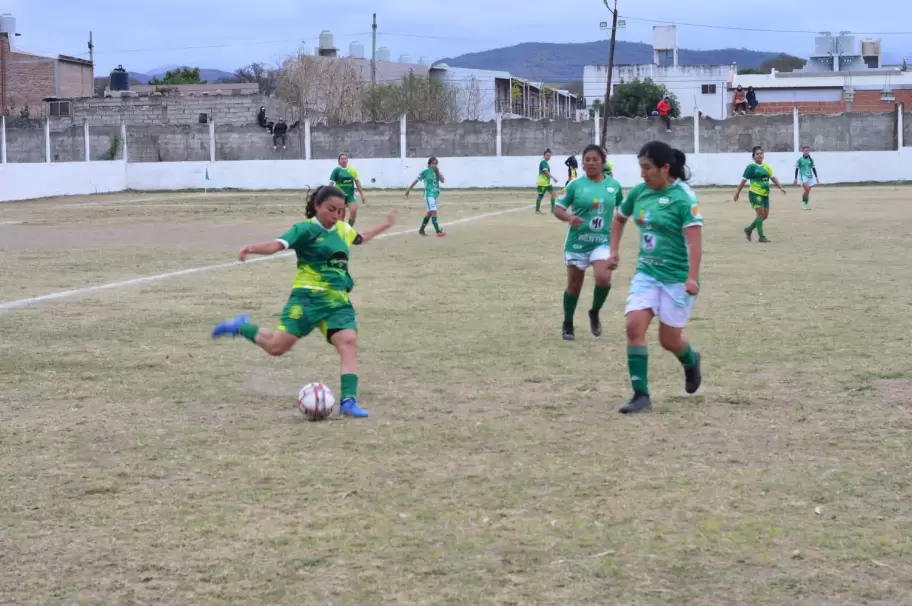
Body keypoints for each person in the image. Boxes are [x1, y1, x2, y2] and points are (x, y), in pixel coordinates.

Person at [211, 186, 398, 419]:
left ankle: (348, 402)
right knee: (277, 347)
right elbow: (277, 245)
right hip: (306, 299)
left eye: (340, 211)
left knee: (348, 341)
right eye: (331, 210)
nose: (336, 216)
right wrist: (251, 248)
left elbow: (361, 237)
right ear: (317, 206)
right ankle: (241, 326)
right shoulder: (304, 230)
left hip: (337, 301)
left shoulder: (343, 229)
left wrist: (386, 224)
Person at [607, 141, 704, 414]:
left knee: (668, 339)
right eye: (640, 167)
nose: (642, 174)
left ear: (665, 168)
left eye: (647, 168)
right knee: (634, 326)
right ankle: (641, 396)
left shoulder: (683, 199)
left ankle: (690, 360)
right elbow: (619, 219)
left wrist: (692, 279)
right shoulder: (639, 192)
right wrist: (613, 251)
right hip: (647, 273)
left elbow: (695, 243)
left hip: (677, 278)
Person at [553, 144, 623, 341]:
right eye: (587, 160)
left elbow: (621, 212)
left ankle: (594, 311)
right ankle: (568, 323)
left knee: (603, 278)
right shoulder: (575, 185)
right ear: (583, 164)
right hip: (577, 242)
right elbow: (558, 208)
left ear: (603, 162)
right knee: (574, 286)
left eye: (595, 159)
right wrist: (569, 218)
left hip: (601, 242)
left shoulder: (613, 186)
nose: (591, 163)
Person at [734, 146, 787, 243]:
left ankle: (749, 229)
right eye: (757, 154)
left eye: (761, 154)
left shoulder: (766, 166)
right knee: (760, 213)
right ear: (753, 157)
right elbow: (743, 181)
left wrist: (781, 187)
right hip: (755, 194)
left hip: (765, 194)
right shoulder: (751, 167)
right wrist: (737, 192)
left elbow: (773, 177)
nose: (759, 155)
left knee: (765, 216)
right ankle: (761, 236)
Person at [405, 156, 447, 237]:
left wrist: (438, 171)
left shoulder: (437, 171)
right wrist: (408, 190)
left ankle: (421, 230)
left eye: (436, 163)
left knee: (430, 213)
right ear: (429, 164)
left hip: (435, 194)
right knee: (433, 211)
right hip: (428, 195)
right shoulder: (425, 171)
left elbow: (442, 180)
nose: (434, 165)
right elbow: (416, 180)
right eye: (433, 163)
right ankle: (438, 232)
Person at [329, 153, 366, 226]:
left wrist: (362, 194)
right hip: (339, 196)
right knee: (341, 216)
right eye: (342, 159)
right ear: (339, 161)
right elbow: (331, 183)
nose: (343, 160)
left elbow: (357, 182)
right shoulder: (336, 170)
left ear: (347, 160)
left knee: (353, 211)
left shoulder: (352, 170)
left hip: (350, 195)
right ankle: (341, 230)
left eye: (345, 158)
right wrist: (327, 195)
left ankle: (349, 228)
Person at [794, 146, 819, 210]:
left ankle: (805, 205)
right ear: (803, 151)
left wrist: (816, 177)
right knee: (807, 189)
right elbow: (797, 169)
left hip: (810, 176)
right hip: (803, 176)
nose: (806, 152)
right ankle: (803, 202)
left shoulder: (811, 160)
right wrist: (795, 178)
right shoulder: (800, 160)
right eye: (805, 150)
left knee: (807, 191)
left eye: (807, 150)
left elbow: (813, 168)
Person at [535, 149, 559, 215]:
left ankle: (553, 210)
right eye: (547, 155)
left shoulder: (546, 162)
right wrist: (553, 178)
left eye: (550, 155)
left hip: (547, 183)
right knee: (540, 195)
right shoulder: (543, 162)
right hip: (542, 183)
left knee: (553, 194)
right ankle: (537, 210)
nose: (549, 157)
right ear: (544, 155)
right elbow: (546, 172)